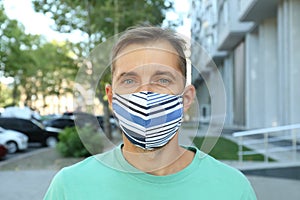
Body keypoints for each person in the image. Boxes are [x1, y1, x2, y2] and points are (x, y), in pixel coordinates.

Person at [44, 26, 257, 200]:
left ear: (186, 99)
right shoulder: (70, 187)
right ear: (111, 98)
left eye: (162, 80)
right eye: (129, 80)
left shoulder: (232, 189)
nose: (145, 93)